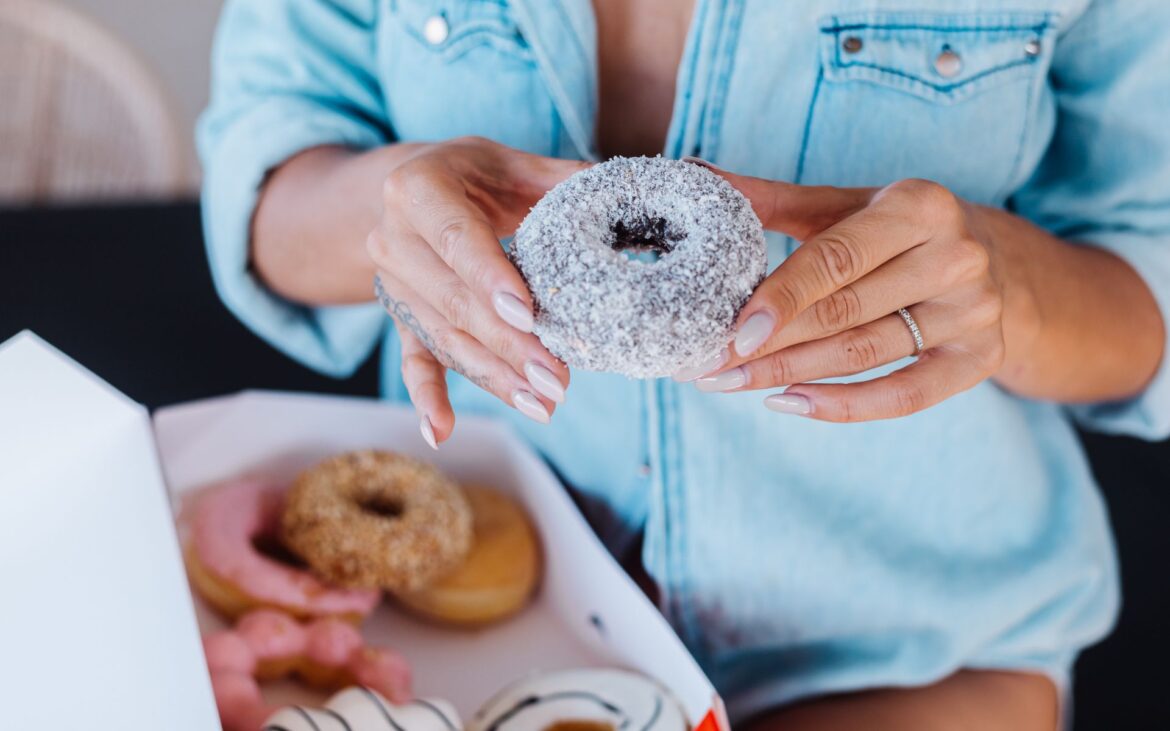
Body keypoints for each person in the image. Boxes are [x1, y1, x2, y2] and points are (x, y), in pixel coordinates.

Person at [198, 1, 1170, 727]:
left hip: (910, 644)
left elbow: (1150, 281)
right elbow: (266, 169)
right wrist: (388, 209)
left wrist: (1014, 285)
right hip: (473, 609)